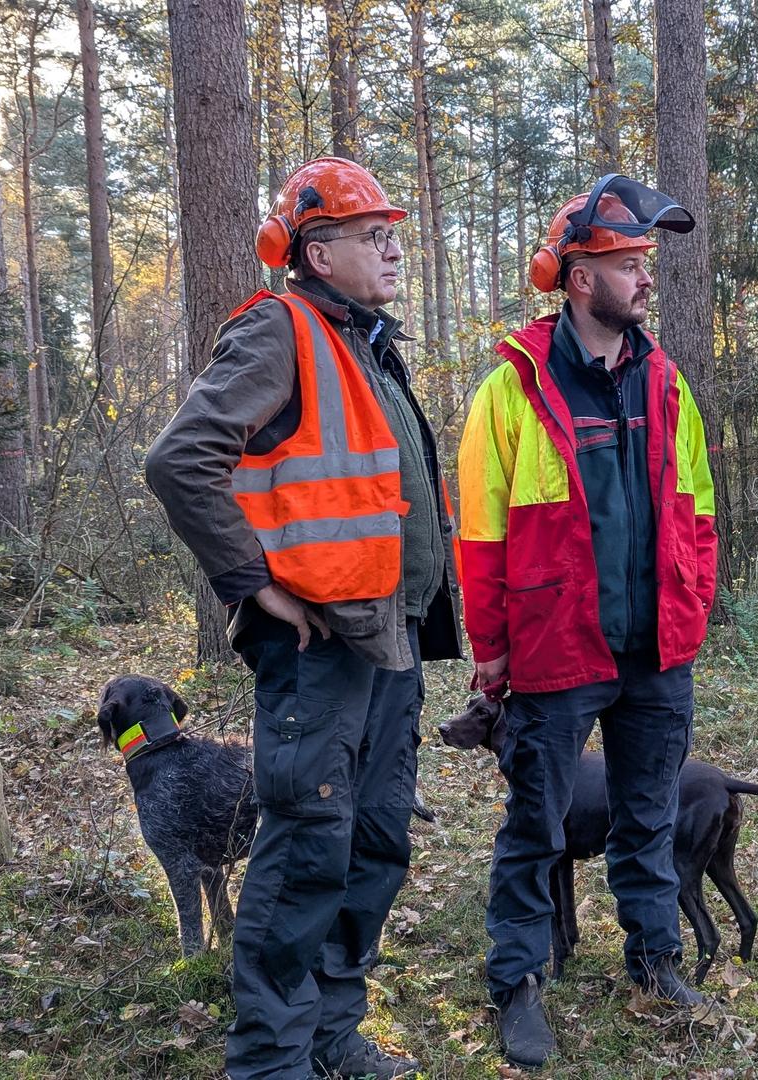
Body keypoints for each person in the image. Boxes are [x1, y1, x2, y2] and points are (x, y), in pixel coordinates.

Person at [143, 157, 459, 1080]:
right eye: (374, 236)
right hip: (318, 645)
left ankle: (331, 1033)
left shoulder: (365, 342)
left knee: (377, 838)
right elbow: (180, 460)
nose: (395, 249)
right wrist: (251, 581)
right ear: (316, 253)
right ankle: (271, 1063)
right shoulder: (281, 331)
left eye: (393, 233)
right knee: (308, 847)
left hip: (389, 636)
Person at [454, 174, 719, 1070]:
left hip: (656, 652)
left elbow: (699, 511)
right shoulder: (510, 392)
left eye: (648, 262)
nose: (646, 279)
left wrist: (690, 608)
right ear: (578, 278)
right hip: (557, 652)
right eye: (628, 263)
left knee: (646, 817)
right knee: (536, 827)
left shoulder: (667, 382)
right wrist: (491, 654)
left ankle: (654, 959)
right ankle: (519, 985)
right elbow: (482, 534)